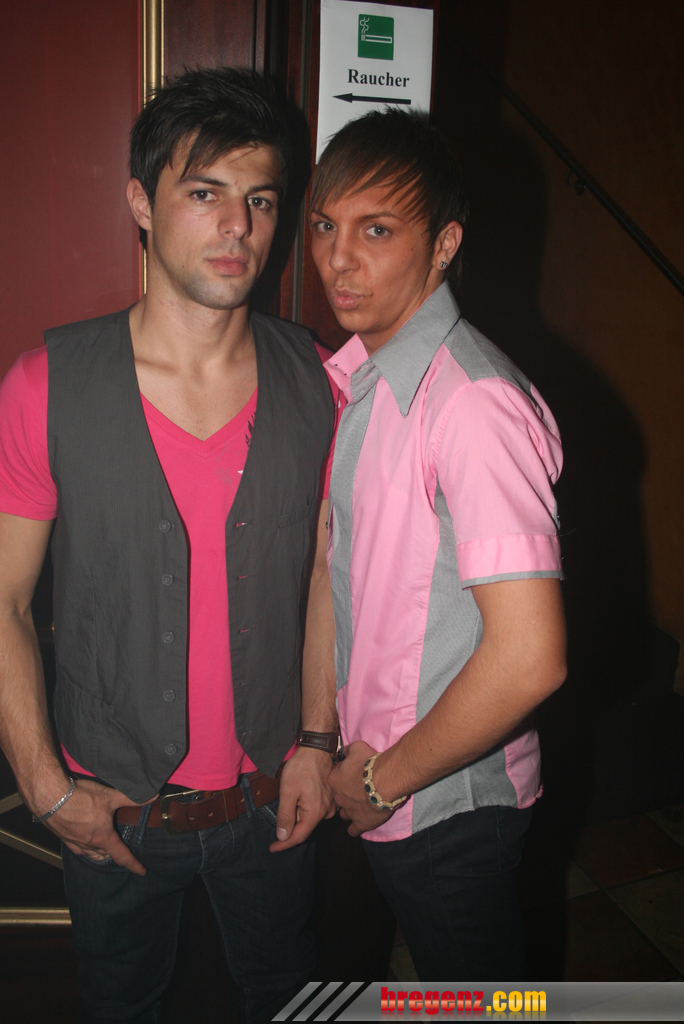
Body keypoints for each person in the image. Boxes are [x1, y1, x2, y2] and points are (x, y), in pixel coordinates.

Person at [0, 67, 340, 1022]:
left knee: (288, 1001)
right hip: (113, 807)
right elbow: (4, 601)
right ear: (141, 203)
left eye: (260, 199)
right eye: (204, 193)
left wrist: (318, 745)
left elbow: (326, 573)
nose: (237, 226)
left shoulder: (320, 380)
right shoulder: (44, 387)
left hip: (274, 799)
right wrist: (45, 787)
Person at [310, 109, 567, 981]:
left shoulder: (473, 404)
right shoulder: (367, 378)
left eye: (376, 230)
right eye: (326, 226)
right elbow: (336, 575)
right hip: (369, 777)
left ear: (445, 243)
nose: (338, 259)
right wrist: (322, 744)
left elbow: (530, 658)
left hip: (445, 805)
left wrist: (381, 781)